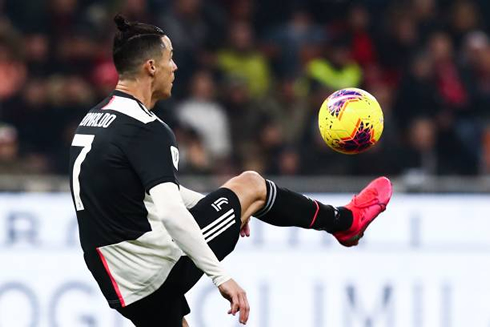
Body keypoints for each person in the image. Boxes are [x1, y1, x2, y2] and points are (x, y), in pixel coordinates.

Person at [68, 15, 393, 327]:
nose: (174, 67)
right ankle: (345, 222)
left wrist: (217, 206)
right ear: (151, 67)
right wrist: (221, 277)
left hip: (116, 279)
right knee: (251, 185)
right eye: (170, 58)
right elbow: (168, 211)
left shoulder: (94, 121)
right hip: (151, 271)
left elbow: (140, 187)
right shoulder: (146, 129)